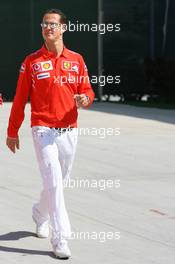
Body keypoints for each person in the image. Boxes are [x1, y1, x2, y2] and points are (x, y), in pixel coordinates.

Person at [6, 8, 95, 259]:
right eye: (45, 24)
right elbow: (20, 98)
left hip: (69, 130)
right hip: (42, 128)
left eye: (53, 24)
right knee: (54, 181)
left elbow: (88, 91)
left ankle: (39, 213)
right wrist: (12, 131)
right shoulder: (31, 61)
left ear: (64, 28)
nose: (48, 28)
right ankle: (61, 238)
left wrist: (83, 99)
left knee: (58, 181)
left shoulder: (76, 59)